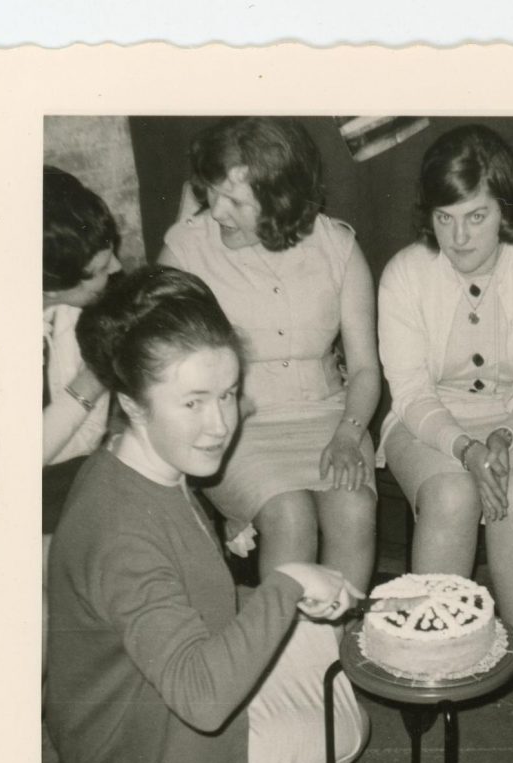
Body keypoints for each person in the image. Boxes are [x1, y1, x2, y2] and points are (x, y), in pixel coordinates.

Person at [45, 266, 368, 763]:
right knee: (349, 723)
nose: (221, 423)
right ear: (132, 404)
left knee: (331, 646)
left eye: (228, 393)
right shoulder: (123, 532)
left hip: (121, 722)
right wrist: (286, 581)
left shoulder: (131, 465)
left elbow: (172, 586)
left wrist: (233, 547)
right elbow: (201, 699)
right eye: (193, 402)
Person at [377, 124, 513, 736]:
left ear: (505, 209)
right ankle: (430, 660)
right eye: (444, 218)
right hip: (429, 425)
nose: (458, 236)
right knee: (450, 494)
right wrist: (465, 448)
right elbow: (410, 393)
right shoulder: (405, 275)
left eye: (476, 216)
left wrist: (504, 440)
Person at [159, 117, 380, 594]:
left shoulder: (337, 246)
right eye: (211, 192)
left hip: (330, 416)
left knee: (354, 506)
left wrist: (348, 433)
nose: (216, 211)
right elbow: (161, 365)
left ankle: (336, 653)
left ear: (280, 197)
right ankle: (278, 660)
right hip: (236, 424)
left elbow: (364, 368)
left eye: (235, 200)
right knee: (289, 513)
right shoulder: (187, 250)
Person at [41, 165, 123, 763]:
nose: (117, 270)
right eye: (99, 270)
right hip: (6, 501)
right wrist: (89, 382)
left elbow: (90, 429)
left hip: (72, 487)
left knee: (72, 651)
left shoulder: (67, 311)